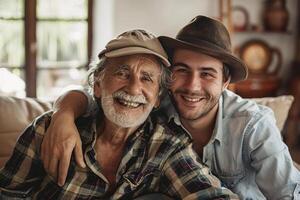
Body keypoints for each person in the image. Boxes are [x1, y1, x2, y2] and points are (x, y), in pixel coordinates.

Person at [41, 16, 300, 199]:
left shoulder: (254, 125)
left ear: (225, 82)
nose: (192, 86)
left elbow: (288, 194)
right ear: (168, 76)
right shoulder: (151, 103)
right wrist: (63, 114)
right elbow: (96, 96)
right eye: (182, 71)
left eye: (207, 74)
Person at [0, 29, 238, 199]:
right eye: (122, 74)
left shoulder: (166, 146)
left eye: (146, 78)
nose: (134, 89)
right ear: (97, 84)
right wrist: (62, 114)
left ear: (157, 98)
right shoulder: (48, 129)